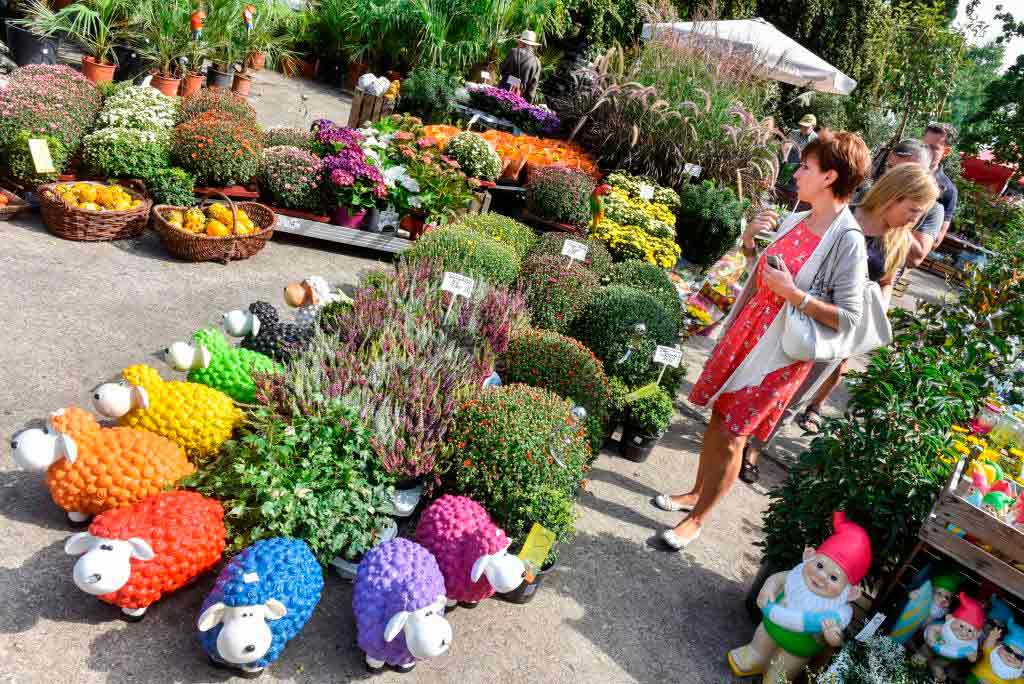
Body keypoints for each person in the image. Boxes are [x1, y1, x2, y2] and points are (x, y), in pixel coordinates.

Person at [653, 130, 871, 550]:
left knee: (737, 433)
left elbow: (849, 318)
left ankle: (699, 519)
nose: (798, 173)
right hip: (748, 333)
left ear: (829, 177)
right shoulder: (798, 219)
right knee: (718, 418)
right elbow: (761, 272)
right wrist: (751, 241)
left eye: (806, 167)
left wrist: (795, 295)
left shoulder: (848, 241)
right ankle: (695, 493)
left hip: (781, 352)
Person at [738, 160, 940, 482]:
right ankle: (737, 435)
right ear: (894, 196)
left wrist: (875, 313)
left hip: (838, 330)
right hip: (800, 313)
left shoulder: (897, 240)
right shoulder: (844, 220)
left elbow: (886, 281)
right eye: (913, 210)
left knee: (799, 395)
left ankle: (754, 450)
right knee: (768, 377)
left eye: (920, 214)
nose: (914, 220)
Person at [922, 122, 959, 248]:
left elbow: (936, 240)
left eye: (933, 148)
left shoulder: (948, 190)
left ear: (946, 151)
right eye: (923, 146)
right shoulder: (900, 168)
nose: (926, 152)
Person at [498, 30, 542, 103]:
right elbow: (532, 88)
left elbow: (502, 69)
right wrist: (528, 104)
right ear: (533, 46)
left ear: (521, 42)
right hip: (519, 99)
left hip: (502, 91)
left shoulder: (513, 52)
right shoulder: (537, 62)